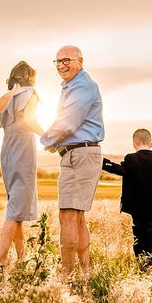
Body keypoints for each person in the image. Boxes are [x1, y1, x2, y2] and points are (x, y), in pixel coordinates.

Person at [40, 45, 104, 277]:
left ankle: (65, 276)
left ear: (80, 61)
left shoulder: (82, 86)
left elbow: (68, 123)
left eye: (66, 60)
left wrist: (46, 140)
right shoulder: (73, 86)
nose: (62, 65)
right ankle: (85, 273)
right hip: (77, 153)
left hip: (80, 155)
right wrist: (56, 143)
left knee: (67, 214)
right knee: (76, 217)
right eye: (57, 62)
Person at [0, 61, 44, 270]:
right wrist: (48, 138)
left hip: (6, 152)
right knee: (14, 212)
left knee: (16, 208)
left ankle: (20, 261)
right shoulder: (31, 93)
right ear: (30, 77)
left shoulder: (1, 99)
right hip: (24, 149)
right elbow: (29, 120)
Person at [102, 129, 152, 269]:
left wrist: (104, 163)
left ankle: (140, 262)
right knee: (151, 235)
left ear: (134, 144)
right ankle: (150, 262)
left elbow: (121, 170)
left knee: (138, 234)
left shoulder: (130, 159)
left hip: (136, 207)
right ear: (151, 143)